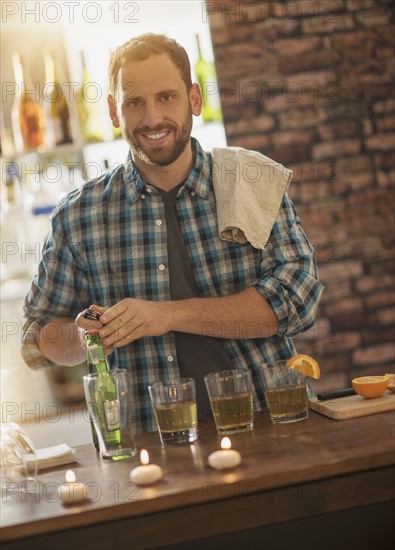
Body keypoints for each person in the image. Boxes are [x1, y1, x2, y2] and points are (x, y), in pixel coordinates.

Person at [21, 33, 323, 433]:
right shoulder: (78, 215)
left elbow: (298, 297)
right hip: (146, 447)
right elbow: (37, 337)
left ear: (194, 100)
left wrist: (166, 315)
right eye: (134, 103)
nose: (151, 119)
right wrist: (81, 337)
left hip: (271, 423)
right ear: (113, 111)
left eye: (166, 97)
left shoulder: (251, 180)